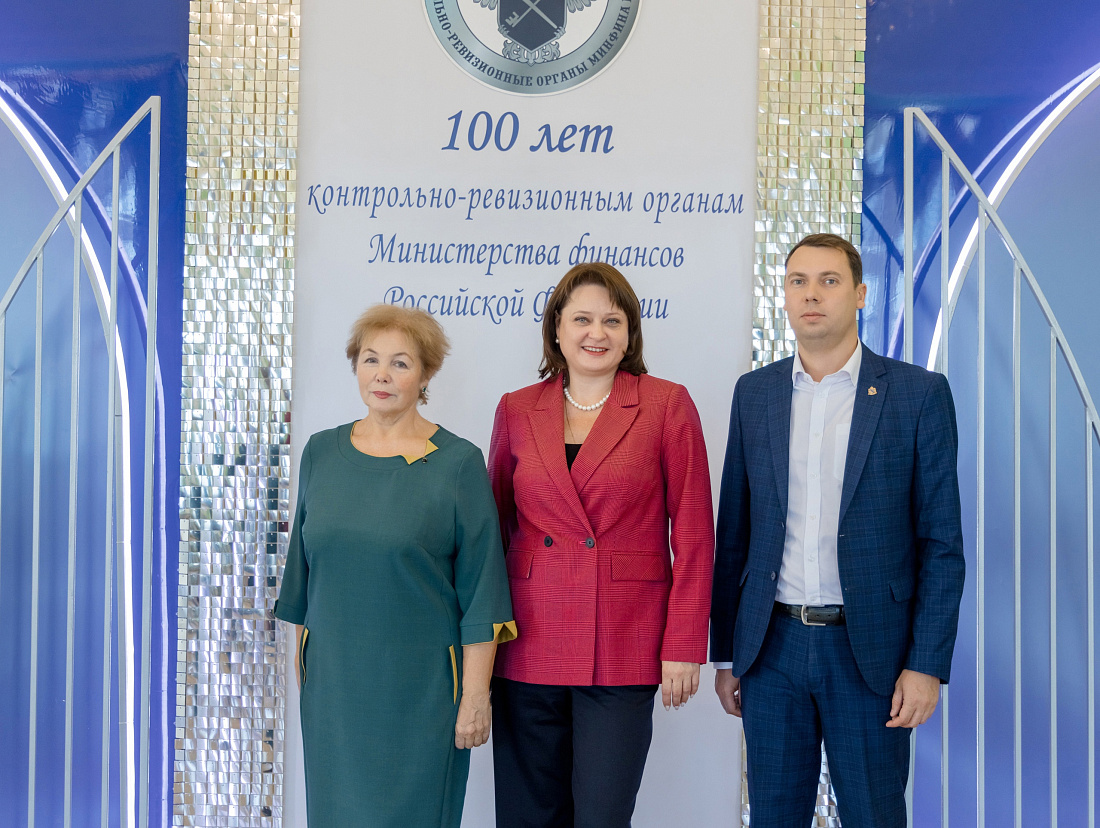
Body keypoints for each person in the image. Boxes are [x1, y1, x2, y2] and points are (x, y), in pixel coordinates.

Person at [711, 233, 966, 827]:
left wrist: (926, 663)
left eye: (829, 281)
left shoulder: (918, 395)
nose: (812, 295)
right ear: (784, 295)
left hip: (872, 654)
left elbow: (942, 546)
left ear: (860, 294)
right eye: (798, 281)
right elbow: (736, 532)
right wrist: (726, 653)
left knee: (874, 816)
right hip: (771, 651)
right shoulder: (755, 394)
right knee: (773, 817)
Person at [487, 262, 714, 828]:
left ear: (631, 333)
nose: (597, 333)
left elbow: (693, 533)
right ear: (556, 329)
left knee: (602, 816)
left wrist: (684, 643)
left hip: (623, 637)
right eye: (582, 319)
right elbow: (493, 531)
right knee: (527, 815)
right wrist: (481, 642)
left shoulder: (666, 404)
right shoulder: (517, 408)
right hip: (528, 637)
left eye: (613, 321)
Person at [273, 304, 516, 828]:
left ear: (426, 375)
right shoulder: (319, 453)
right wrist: (308, 677)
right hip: (334, 692)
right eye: (370, 359)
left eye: (400, 363)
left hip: (423, 693)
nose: (381, 374)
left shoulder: (458, 463)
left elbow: (484, 593)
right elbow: (303, 580)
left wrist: (476, 695)